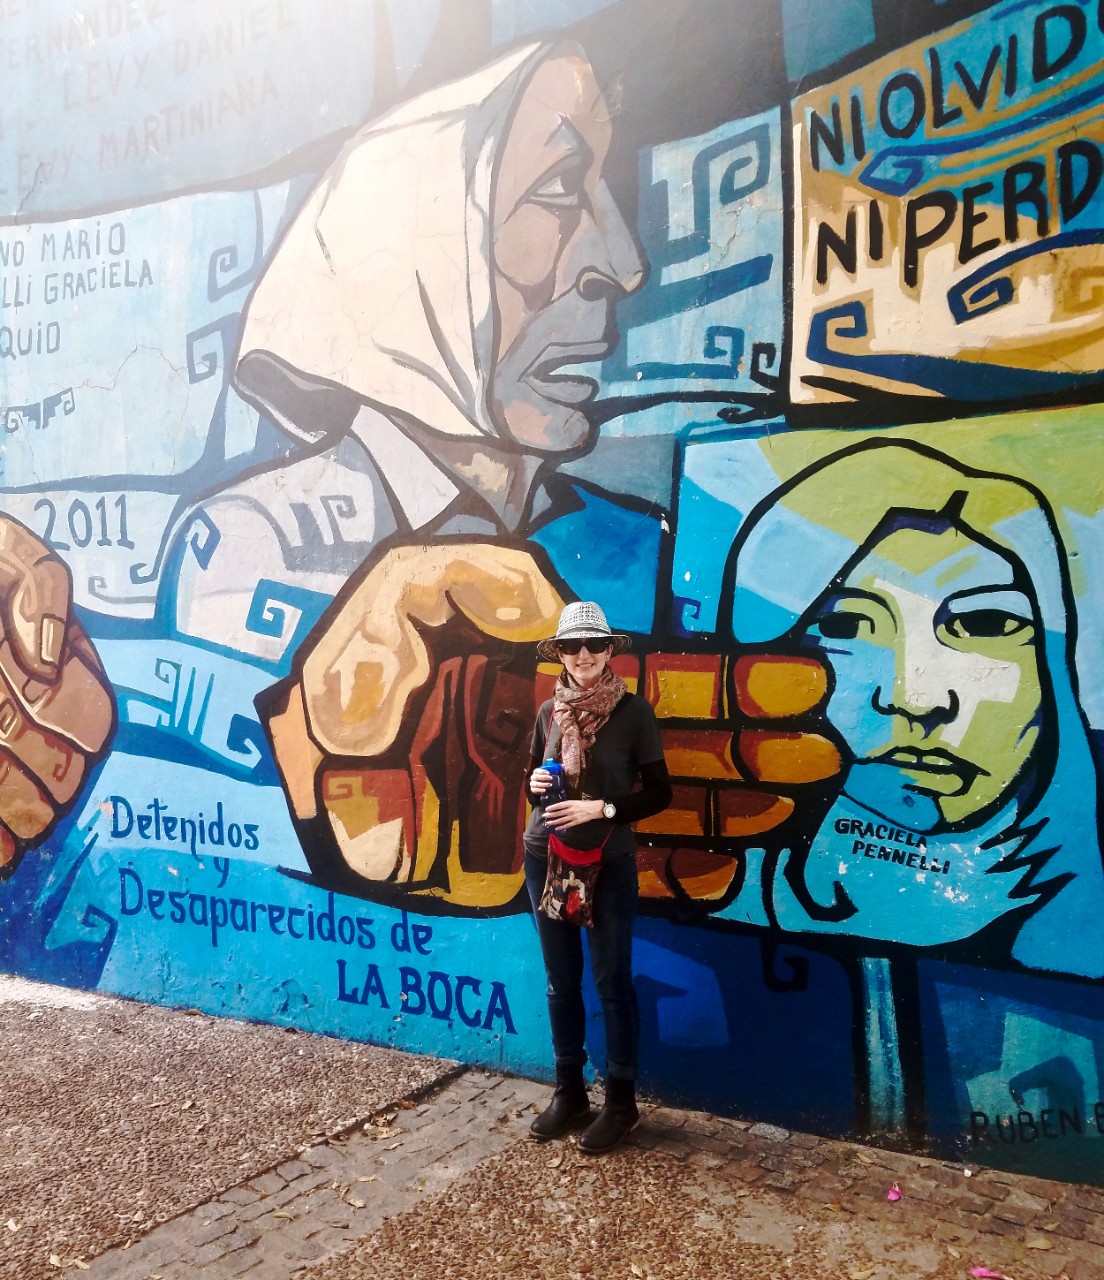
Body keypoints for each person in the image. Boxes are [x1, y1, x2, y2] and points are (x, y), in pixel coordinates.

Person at [170, 38, 654, 908]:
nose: (620, 264)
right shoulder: (253, 540)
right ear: (412, 249)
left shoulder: (628, 542)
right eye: (557, 193)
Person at [721, 439, 1104, 978]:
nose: (914, 698)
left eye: (986, 624)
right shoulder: (715, 892)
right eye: (845, 627)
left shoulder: (1071, 967)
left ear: (1051, 671)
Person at [524, 600, 671, 1154]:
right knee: (561, 981)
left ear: (610, 651)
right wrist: (536, 782)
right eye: (570, 646)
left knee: (612, 982)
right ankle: (569, 1093)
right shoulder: (548, 712)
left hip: (605, 862)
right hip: (545, 856)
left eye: (593, 645)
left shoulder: (634, 713)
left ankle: (621, 1105)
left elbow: (659, 793)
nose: (582, 655)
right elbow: (531, 787)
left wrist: (601, 808)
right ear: (558, 654)